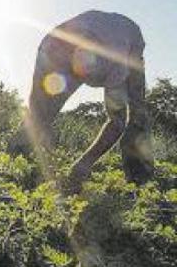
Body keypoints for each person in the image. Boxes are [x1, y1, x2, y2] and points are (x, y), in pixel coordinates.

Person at [17, 10, 154, 190]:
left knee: (137, 113)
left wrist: (84, 164)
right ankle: (15, 164)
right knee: (40, 113)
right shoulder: (51, 48)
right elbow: (37, 108)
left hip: (128, 38)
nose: (79, 79)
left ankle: (138, 178)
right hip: (69, 41)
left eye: (84, 72)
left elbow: (117, 121)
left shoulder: (117, 63)